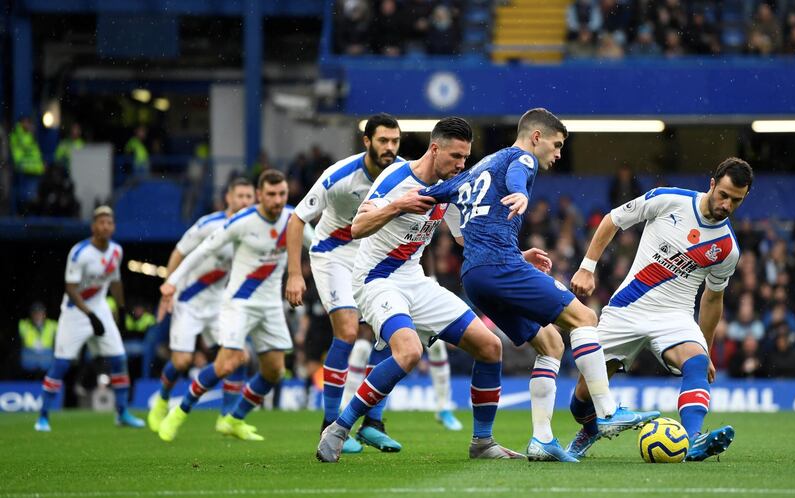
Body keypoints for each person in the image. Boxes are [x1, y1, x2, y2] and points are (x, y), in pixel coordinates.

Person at [422, 108, 657, 462]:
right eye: (557, 144)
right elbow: (520, 172)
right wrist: (521, 194)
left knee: (550, 344)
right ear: (536, 137)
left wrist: (391, 204)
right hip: (500, 266)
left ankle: (542, 440)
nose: (559, 153)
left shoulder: (482, 165)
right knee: (584, 319)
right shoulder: (522, 158)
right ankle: (607, 412)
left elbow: (440, 192)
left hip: (475, 277)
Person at [316, 117, 522, 463]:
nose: (461, 165)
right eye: (455, 157)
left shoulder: (454, 184)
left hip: (414, 279)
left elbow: (464, 237)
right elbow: (358, 227)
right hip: (376, 279)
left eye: (466, 158)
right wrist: (398, 205)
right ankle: (339, 427)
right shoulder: (397, 179)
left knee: (489, 346)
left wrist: (513, 255)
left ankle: (483, 442)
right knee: (408, 352)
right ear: (435, 148)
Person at [287, 114, 462, 454]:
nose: (390, 148)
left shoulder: (404, 174)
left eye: (395, 142)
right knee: (349, 332)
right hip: (332, 254)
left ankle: (373, 423)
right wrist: (296, 273)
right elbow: (296, 219)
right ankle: (329, 423)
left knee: (388, 334)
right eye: (383, 141)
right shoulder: (340, 175)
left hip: (372, 256)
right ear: (366, 142)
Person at [568, 157, 753, 461]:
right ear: (712, 184)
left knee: (694, 363)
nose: (727, 205)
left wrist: (705, 349)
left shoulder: (727, 249)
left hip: (674, 316)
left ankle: (693, 439)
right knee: (581, 401)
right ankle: (589, 430)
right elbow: (613, 219)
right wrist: (587, 268)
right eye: (723, 194)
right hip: (625, 310)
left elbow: (712, 298)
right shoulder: (668, 199)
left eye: (736, 200)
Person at [157, 170, 313, 442]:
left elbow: (320, 247)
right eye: (271, 194)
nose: (277, 200)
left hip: (271, 307)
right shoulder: (243, 221)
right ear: (259, 195)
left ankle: (234, 419)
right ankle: (179, 412)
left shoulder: (293, 220)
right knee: (227, 364)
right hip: (239, 303)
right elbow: (203, 250)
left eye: (282, 194)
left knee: (275, 370)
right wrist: (173, 281)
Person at [147, 178, 255, 435]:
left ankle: (228, 418)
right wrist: (169, 288)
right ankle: (162, 399)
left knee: (236, 356)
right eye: (239, 196)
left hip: (219, 304)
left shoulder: (252, 228)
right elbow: (179, 252)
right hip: (189, 300)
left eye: (249, 197)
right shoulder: (209, 224)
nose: (244, 201)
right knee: (182, 361)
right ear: (228, 198)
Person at [35, 206, 145, 432]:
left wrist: (121, 310)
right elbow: (71, 289)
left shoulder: (116, 250)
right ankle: (43, 416)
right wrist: (89, 315)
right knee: (62, 364)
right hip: (75, 312)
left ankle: (122, 413)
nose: (106, 226)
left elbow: (115, 281)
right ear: (93, 226)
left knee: (119, 359)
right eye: (101, 222)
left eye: (109, 223)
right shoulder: (80, 252)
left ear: (113, 227)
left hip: (100, 308)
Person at [18, 302, 57, 375]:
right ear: (31, 315)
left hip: (46, 360)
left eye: (40, 313)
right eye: (35, 313)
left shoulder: (53, 325)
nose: (37, 316)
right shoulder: (23, 325)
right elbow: (17, 346)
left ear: (44, 315)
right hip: (29, 360)